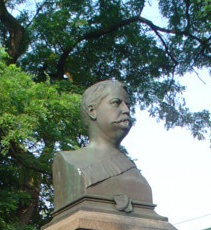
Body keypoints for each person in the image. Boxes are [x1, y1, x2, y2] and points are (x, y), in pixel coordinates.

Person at [52, 80, 153, 212]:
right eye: (116, 103)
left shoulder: (130, 167)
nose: (126, 110)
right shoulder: (68, 161)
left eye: (127, 105)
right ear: (92, 111)